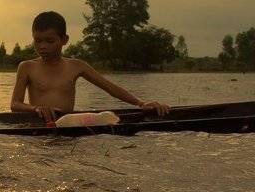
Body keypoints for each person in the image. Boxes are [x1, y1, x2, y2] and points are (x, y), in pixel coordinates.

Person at [11, 10, 171, 123]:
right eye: (38, 41)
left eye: (49, 41)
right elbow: (15, 104)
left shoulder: (76, 66)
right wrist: (36, 108)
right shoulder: (27, 67)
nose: (43, 46)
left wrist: (141, 103)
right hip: (39, 124)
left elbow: (110, 87)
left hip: (68, 126)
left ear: (64, 40)